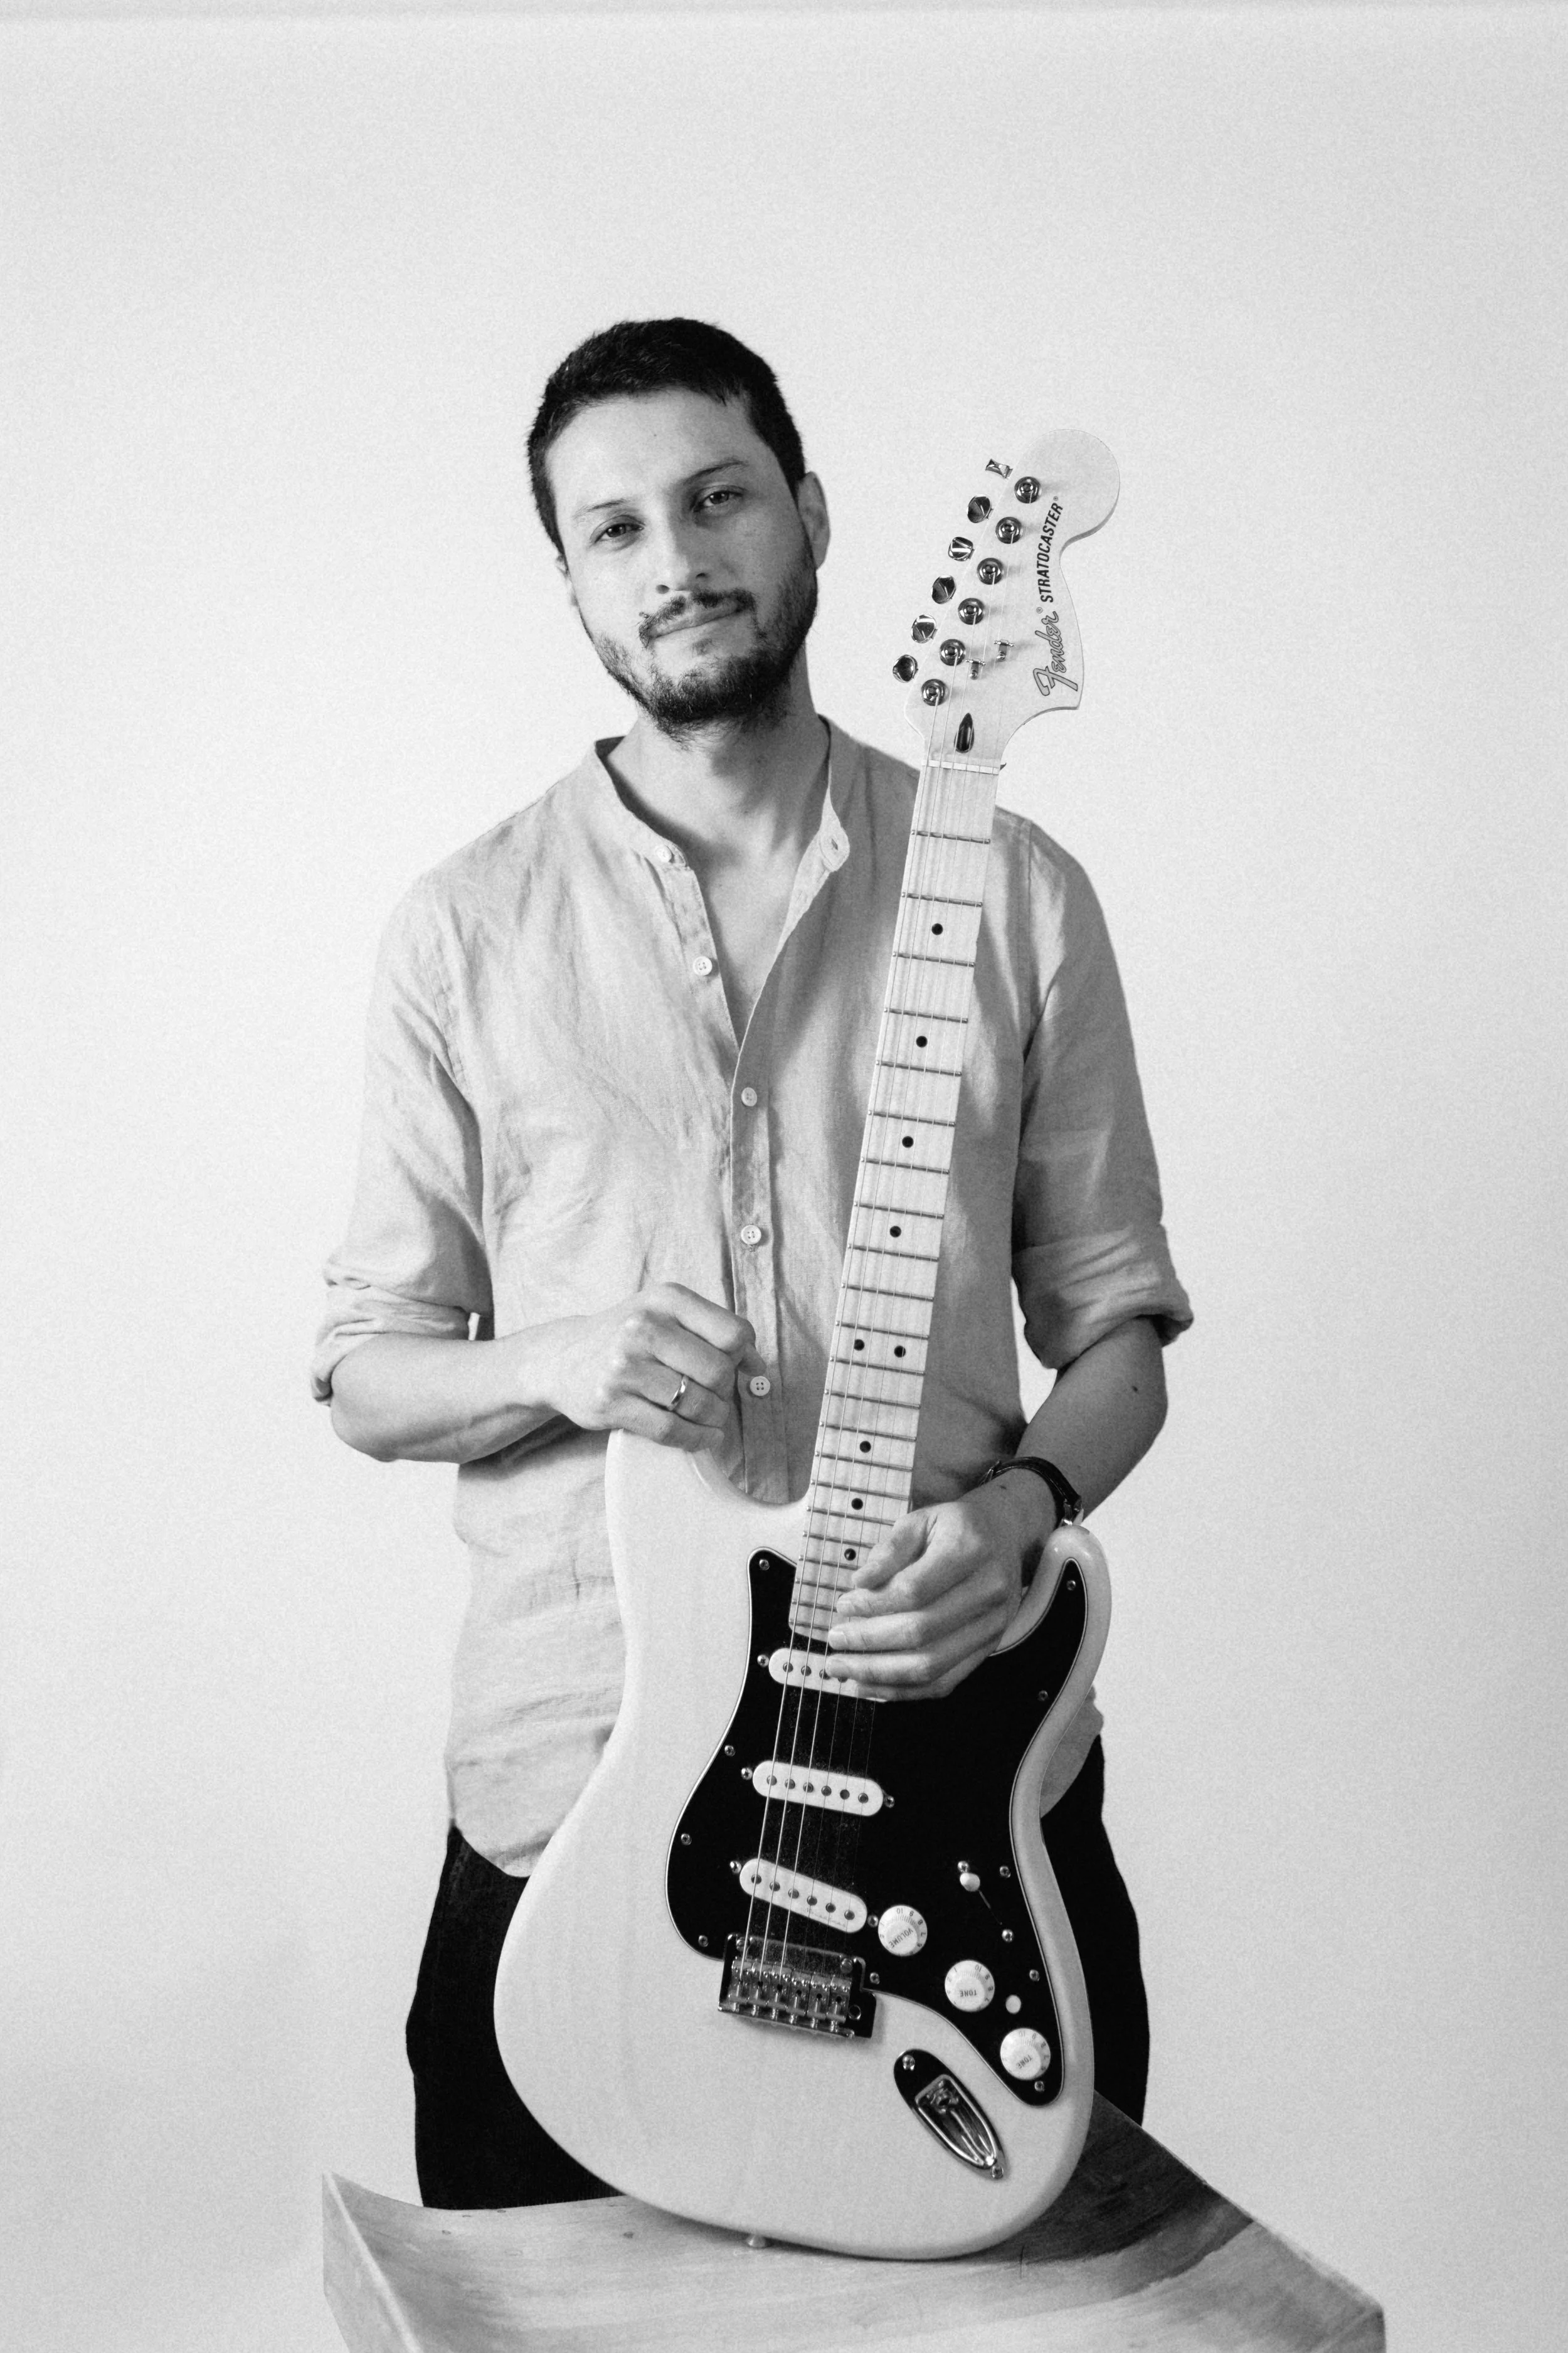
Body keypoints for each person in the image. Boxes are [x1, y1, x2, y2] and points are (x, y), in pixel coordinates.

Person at [312, 317, 1191, 2211]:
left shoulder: (1015, 896)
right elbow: (368, 1367)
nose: (676, 558)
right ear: (569, 579)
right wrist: (554, 1354)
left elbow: (1119, 1331)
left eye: (715, 499)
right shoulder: (465, 932)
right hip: (574, 1797)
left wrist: (1026, 1506)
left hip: (964, 1798)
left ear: (804, 514)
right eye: (612, 528)